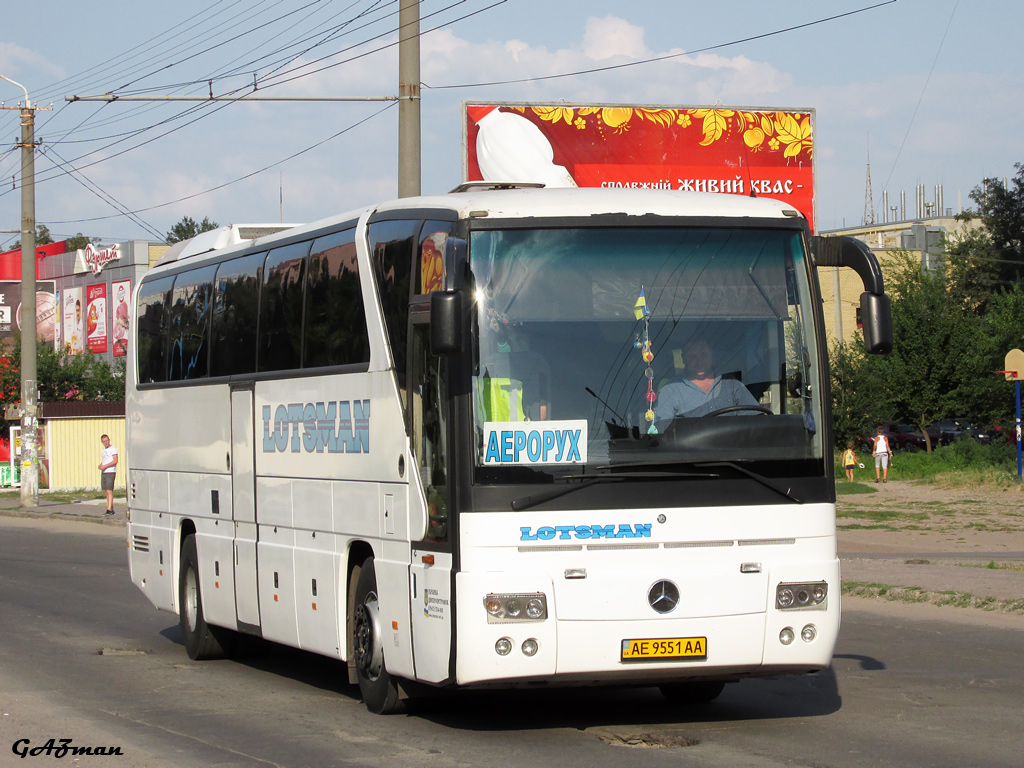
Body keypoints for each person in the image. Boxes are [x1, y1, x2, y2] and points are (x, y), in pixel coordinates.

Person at [654, 339, 759, 422]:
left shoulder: (732, 384)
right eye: (692, 357)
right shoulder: (670, 390)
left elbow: (754, 421)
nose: (699, 362)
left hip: (732, 446)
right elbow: (663, 431)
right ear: (683, 358)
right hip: (689, 448)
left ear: (712, 355)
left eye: (703, 355)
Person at [98, 434, 118, 515]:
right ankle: (111, 508)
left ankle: (109, 509)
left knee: (109, 490)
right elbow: (106, 460)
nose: (105, 442)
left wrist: (105, 466)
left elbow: (115, 460)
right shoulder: (104, 451)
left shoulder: (113, 449)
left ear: (109, 440)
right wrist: (101, 465)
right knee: (106, 490)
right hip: (104, 472)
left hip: (110, 471)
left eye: (107, 441)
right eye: (104, 441)